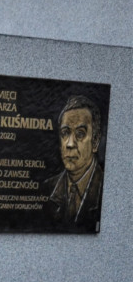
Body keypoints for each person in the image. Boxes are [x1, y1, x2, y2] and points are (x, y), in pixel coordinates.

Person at [47, 95, 105, 233]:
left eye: (80, 134)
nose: (70, 144)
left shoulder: (105, 189)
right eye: (65, 133)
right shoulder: (47, 188)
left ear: (95, 141)